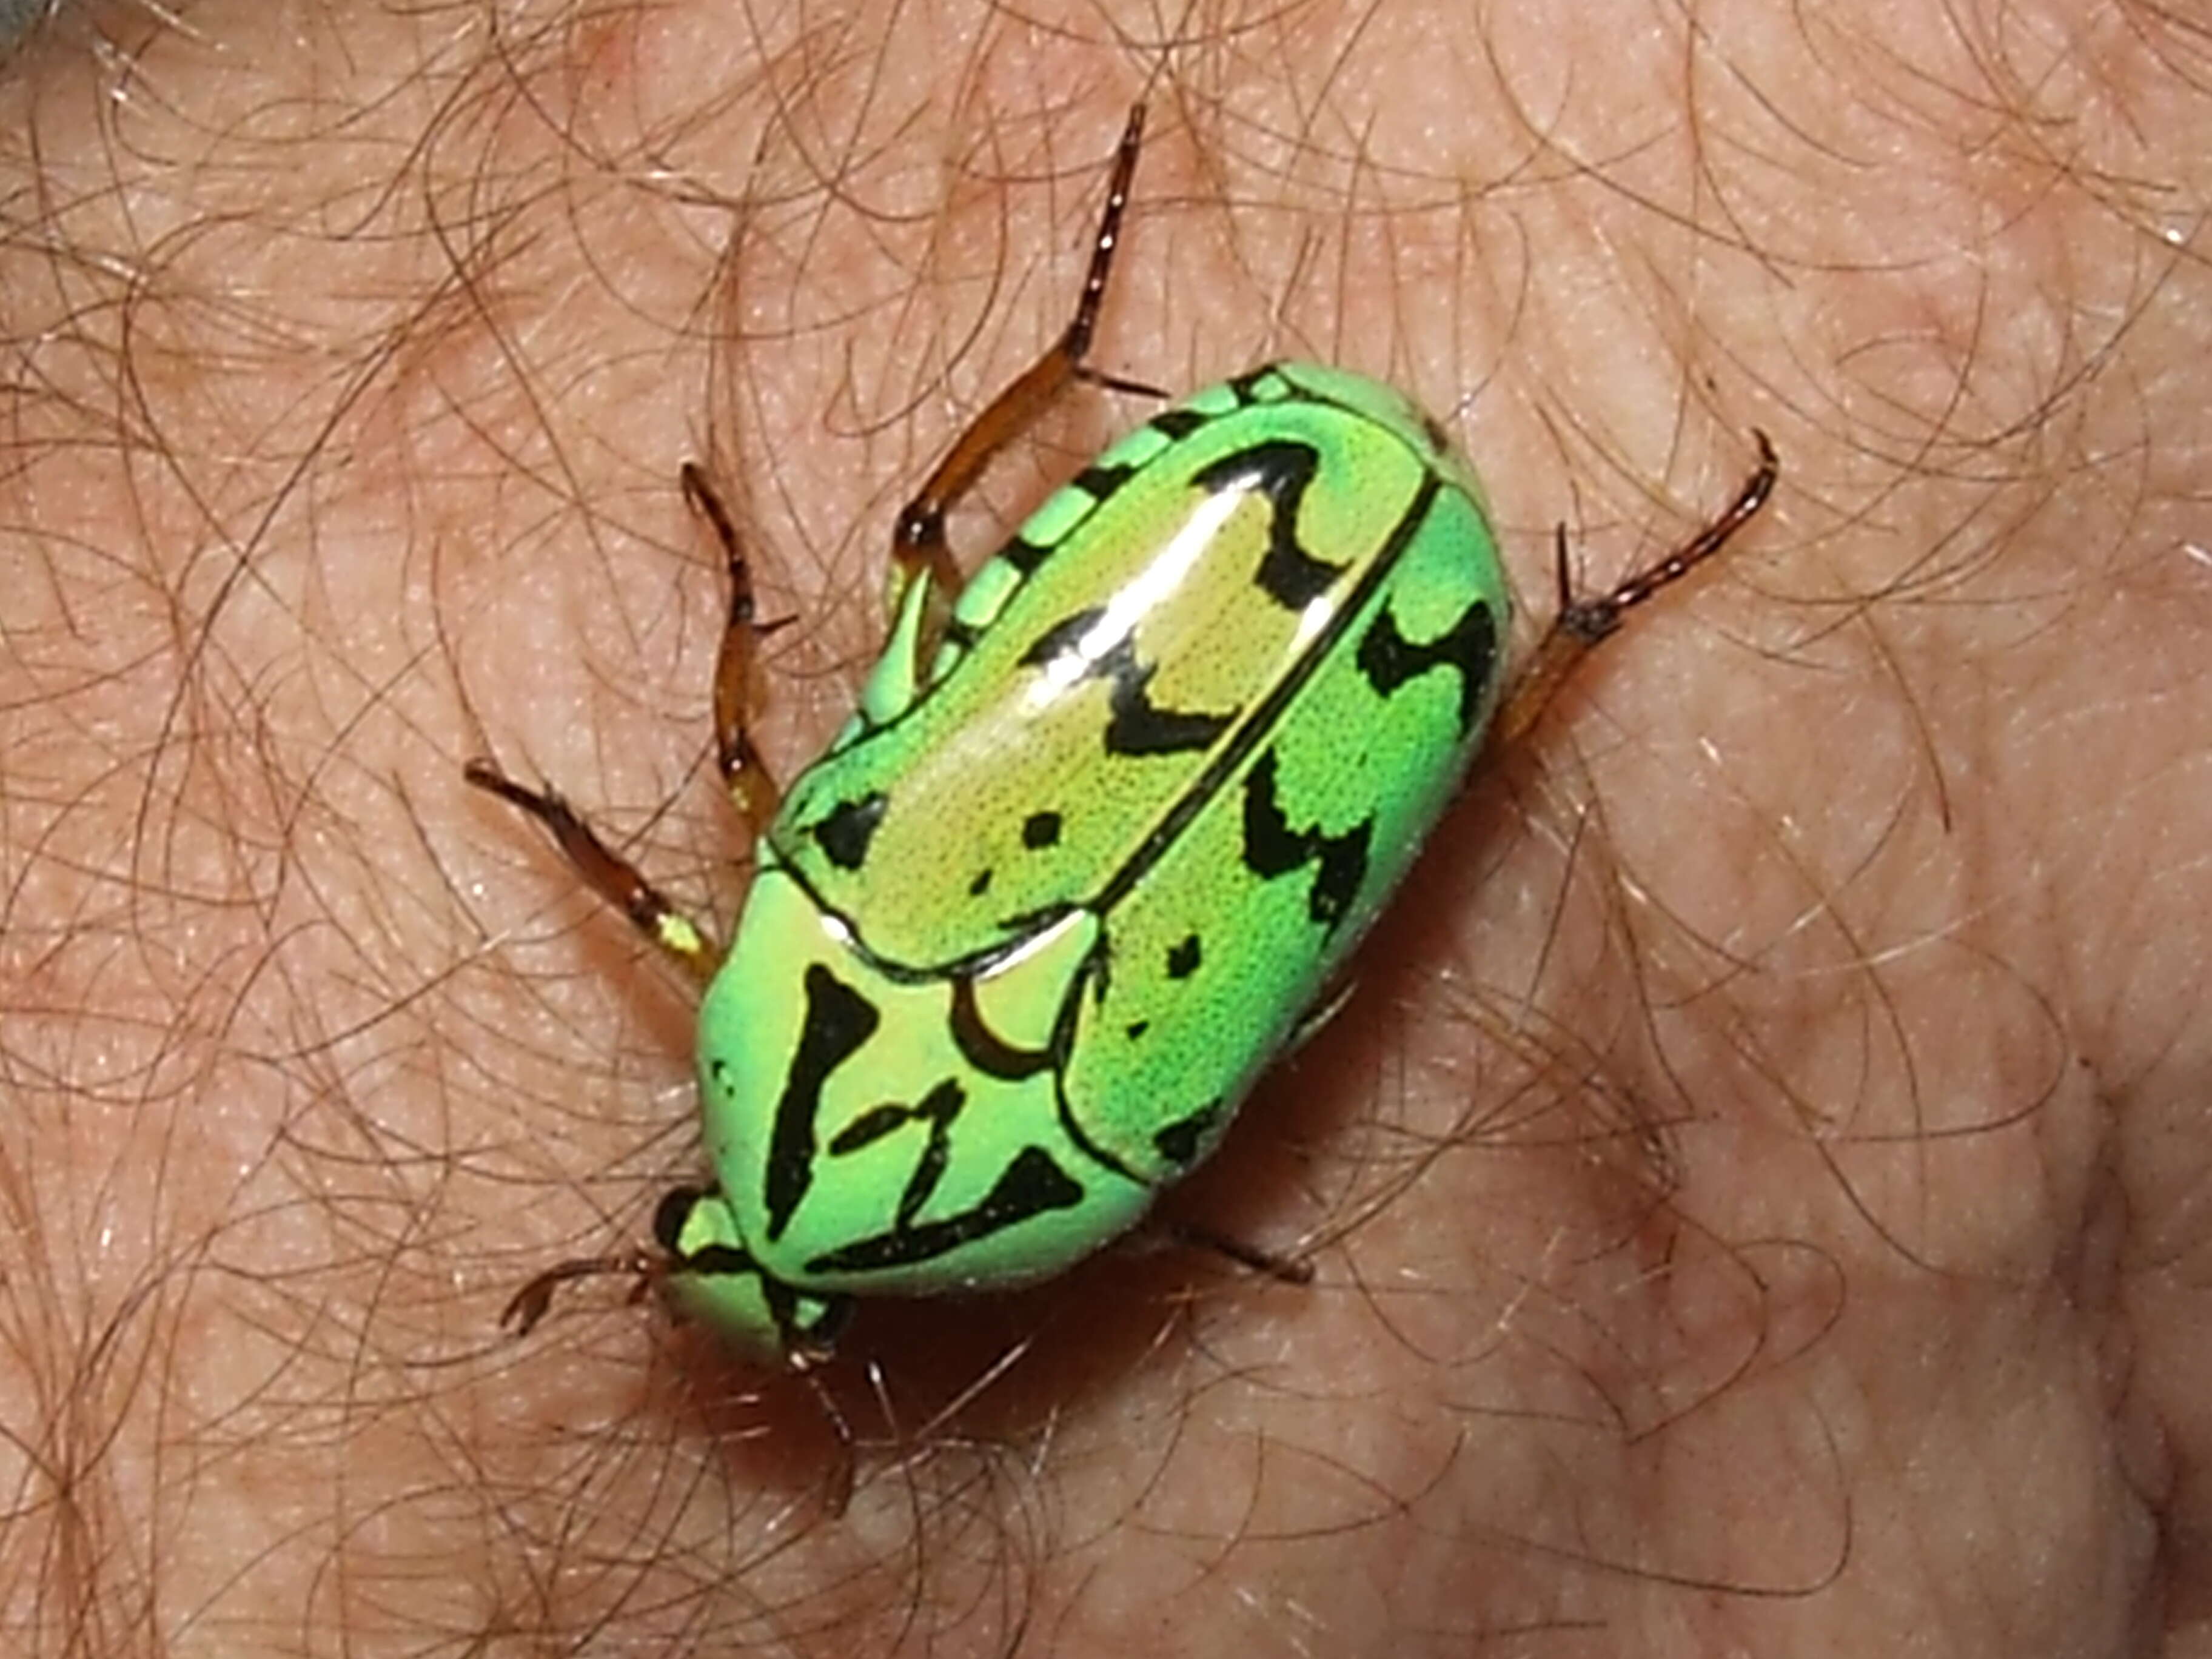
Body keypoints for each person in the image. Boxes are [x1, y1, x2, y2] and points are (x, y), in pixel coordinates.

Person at [0, 3, 2202, 1651]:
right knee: (911, 554)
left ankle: (1546, 581)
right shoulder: (799, 994)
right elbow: (761, 767)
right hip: (1281, 543)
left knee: (1326, 839)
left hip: (1357, 630)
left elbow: (1256, 1062)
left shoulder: (1070, 1211)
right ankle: (1212, 403)